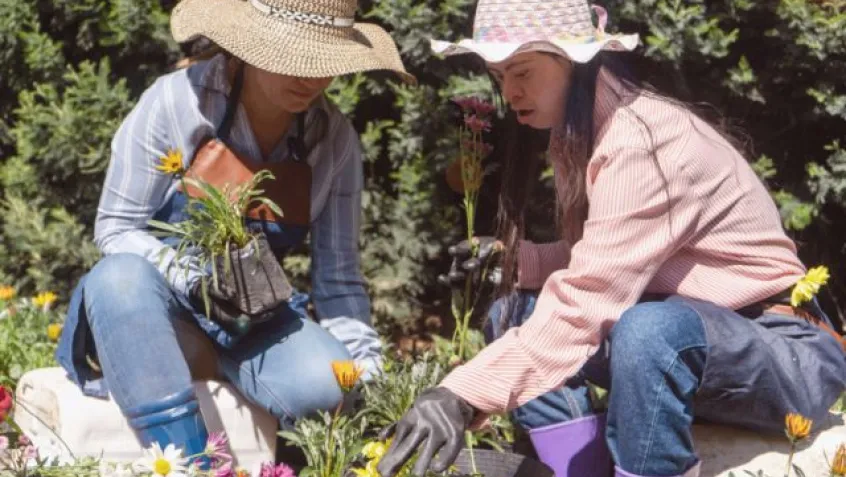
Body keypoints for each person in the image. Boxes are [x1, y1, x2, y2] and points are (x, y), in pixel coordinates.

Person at [376, 1, 846, 476]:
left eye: (521, 71)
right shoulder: (584, 129)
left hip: (784, 351)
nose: (509, 90)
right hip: (699, 343)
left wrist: (461, 394)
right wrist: (516, 264)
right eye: (498, 75)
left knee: (647, 330)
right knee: (514, 309)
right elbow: (610, 255)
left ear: (576, 59)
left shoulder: (644, 141)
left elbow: (589, 301)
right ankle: (572, 469)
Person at [54, 0, 413, 466]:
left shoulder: (334, 139)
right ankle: (192, 466)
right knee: (117, 278)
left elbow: (340, 280)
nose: (312, 77)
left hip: (251, 317)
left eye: (325, 62)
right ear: (249, 46)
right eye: (294, 59)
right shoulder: (175, 101)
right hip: (152, 304)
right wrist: (195, 281)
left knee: (327, 385)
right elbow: (117, 227)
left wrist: (368, 375)